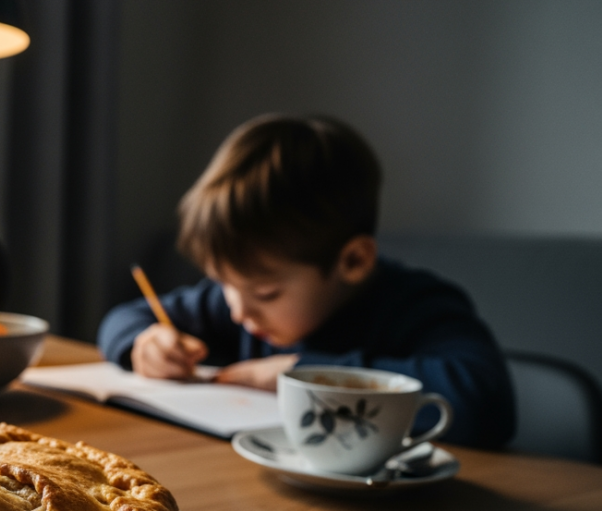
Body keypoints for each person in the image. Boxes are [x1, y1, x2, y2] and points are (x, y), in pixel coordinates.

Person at [97, 114, 515, 448]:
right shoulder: (236, 302)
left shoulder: (415, 306)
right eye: (223, 283)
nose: (238, 310)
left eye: (265, 292)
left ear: (353, 261)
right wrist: (144, 344)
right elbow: (124, 317)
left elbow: (485, 402)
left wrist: (305, 375)